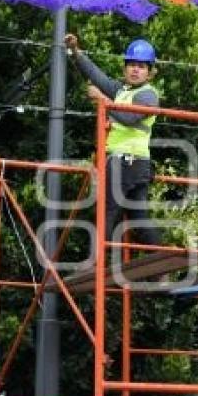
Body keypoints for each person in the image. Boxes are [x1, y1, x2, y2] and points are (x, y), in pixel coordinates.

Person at [65, 34, 162, 248]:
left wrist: (101, 100)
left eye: (141, 66)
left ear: (150, 72)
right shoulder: (122, 92)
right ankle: (162, 268)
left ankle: (94, 269)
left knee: (107, 211)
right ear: (125, 68)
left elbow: (129, 118)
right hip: (133, 163)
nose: (135, 70)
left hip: (126, 162)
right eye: (131, 65)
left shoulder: (148, 95)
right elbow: (96, 76)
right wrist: (75, 51)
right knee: (139, 218)